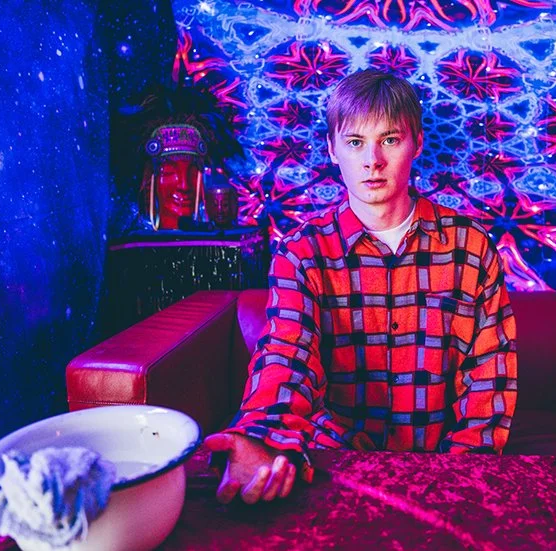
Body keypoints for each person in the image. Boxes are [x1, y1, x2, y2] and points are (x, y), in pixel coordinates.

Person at [205, 69, 517, 504]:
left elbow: (489, 377)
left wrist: (460, 478)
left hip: (440, 467)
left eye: (389, 139)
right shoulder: (302, 251)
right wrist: (262, 438)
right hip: (333, 464)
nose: (372, 160)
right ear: (333, 149)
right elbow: (286, 354)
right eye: (355, 143)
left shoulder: (470, 247)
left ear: (417, 144)